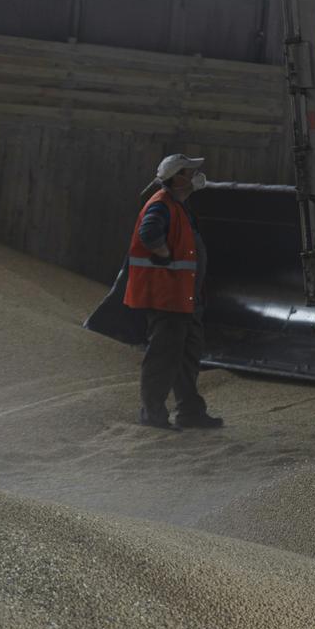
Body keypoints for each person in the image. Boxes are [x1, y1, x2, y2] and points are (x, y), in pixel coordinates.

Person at [124, 154, 222, 430]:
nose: (194, 176)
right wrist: (163, 254)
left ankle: (190, 412)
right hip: (166, 298)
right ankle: (152, 414)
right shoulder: (161, 205)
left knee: (186, 357)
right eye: (189, 171)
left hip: (183, 299)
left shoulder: (178, 206)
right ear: (176, 177)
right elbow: (149, 233)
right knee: (163, 357)